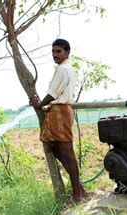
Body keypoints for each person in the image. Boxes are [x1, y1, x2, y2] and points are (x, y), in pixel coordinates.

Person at [29, 39, 88, 203]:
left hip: (60, 112)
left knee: (68, 154)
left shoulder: (63, 69)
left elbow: (52, 95)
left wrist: (39, 104)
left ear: (67, 52)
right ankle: (79, 188)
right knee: (55, 149)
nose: (55, 55)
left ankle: (77, 194)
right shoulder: (66, 69)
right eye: (53, 51)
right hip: (57, 112)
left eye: (58, 51)